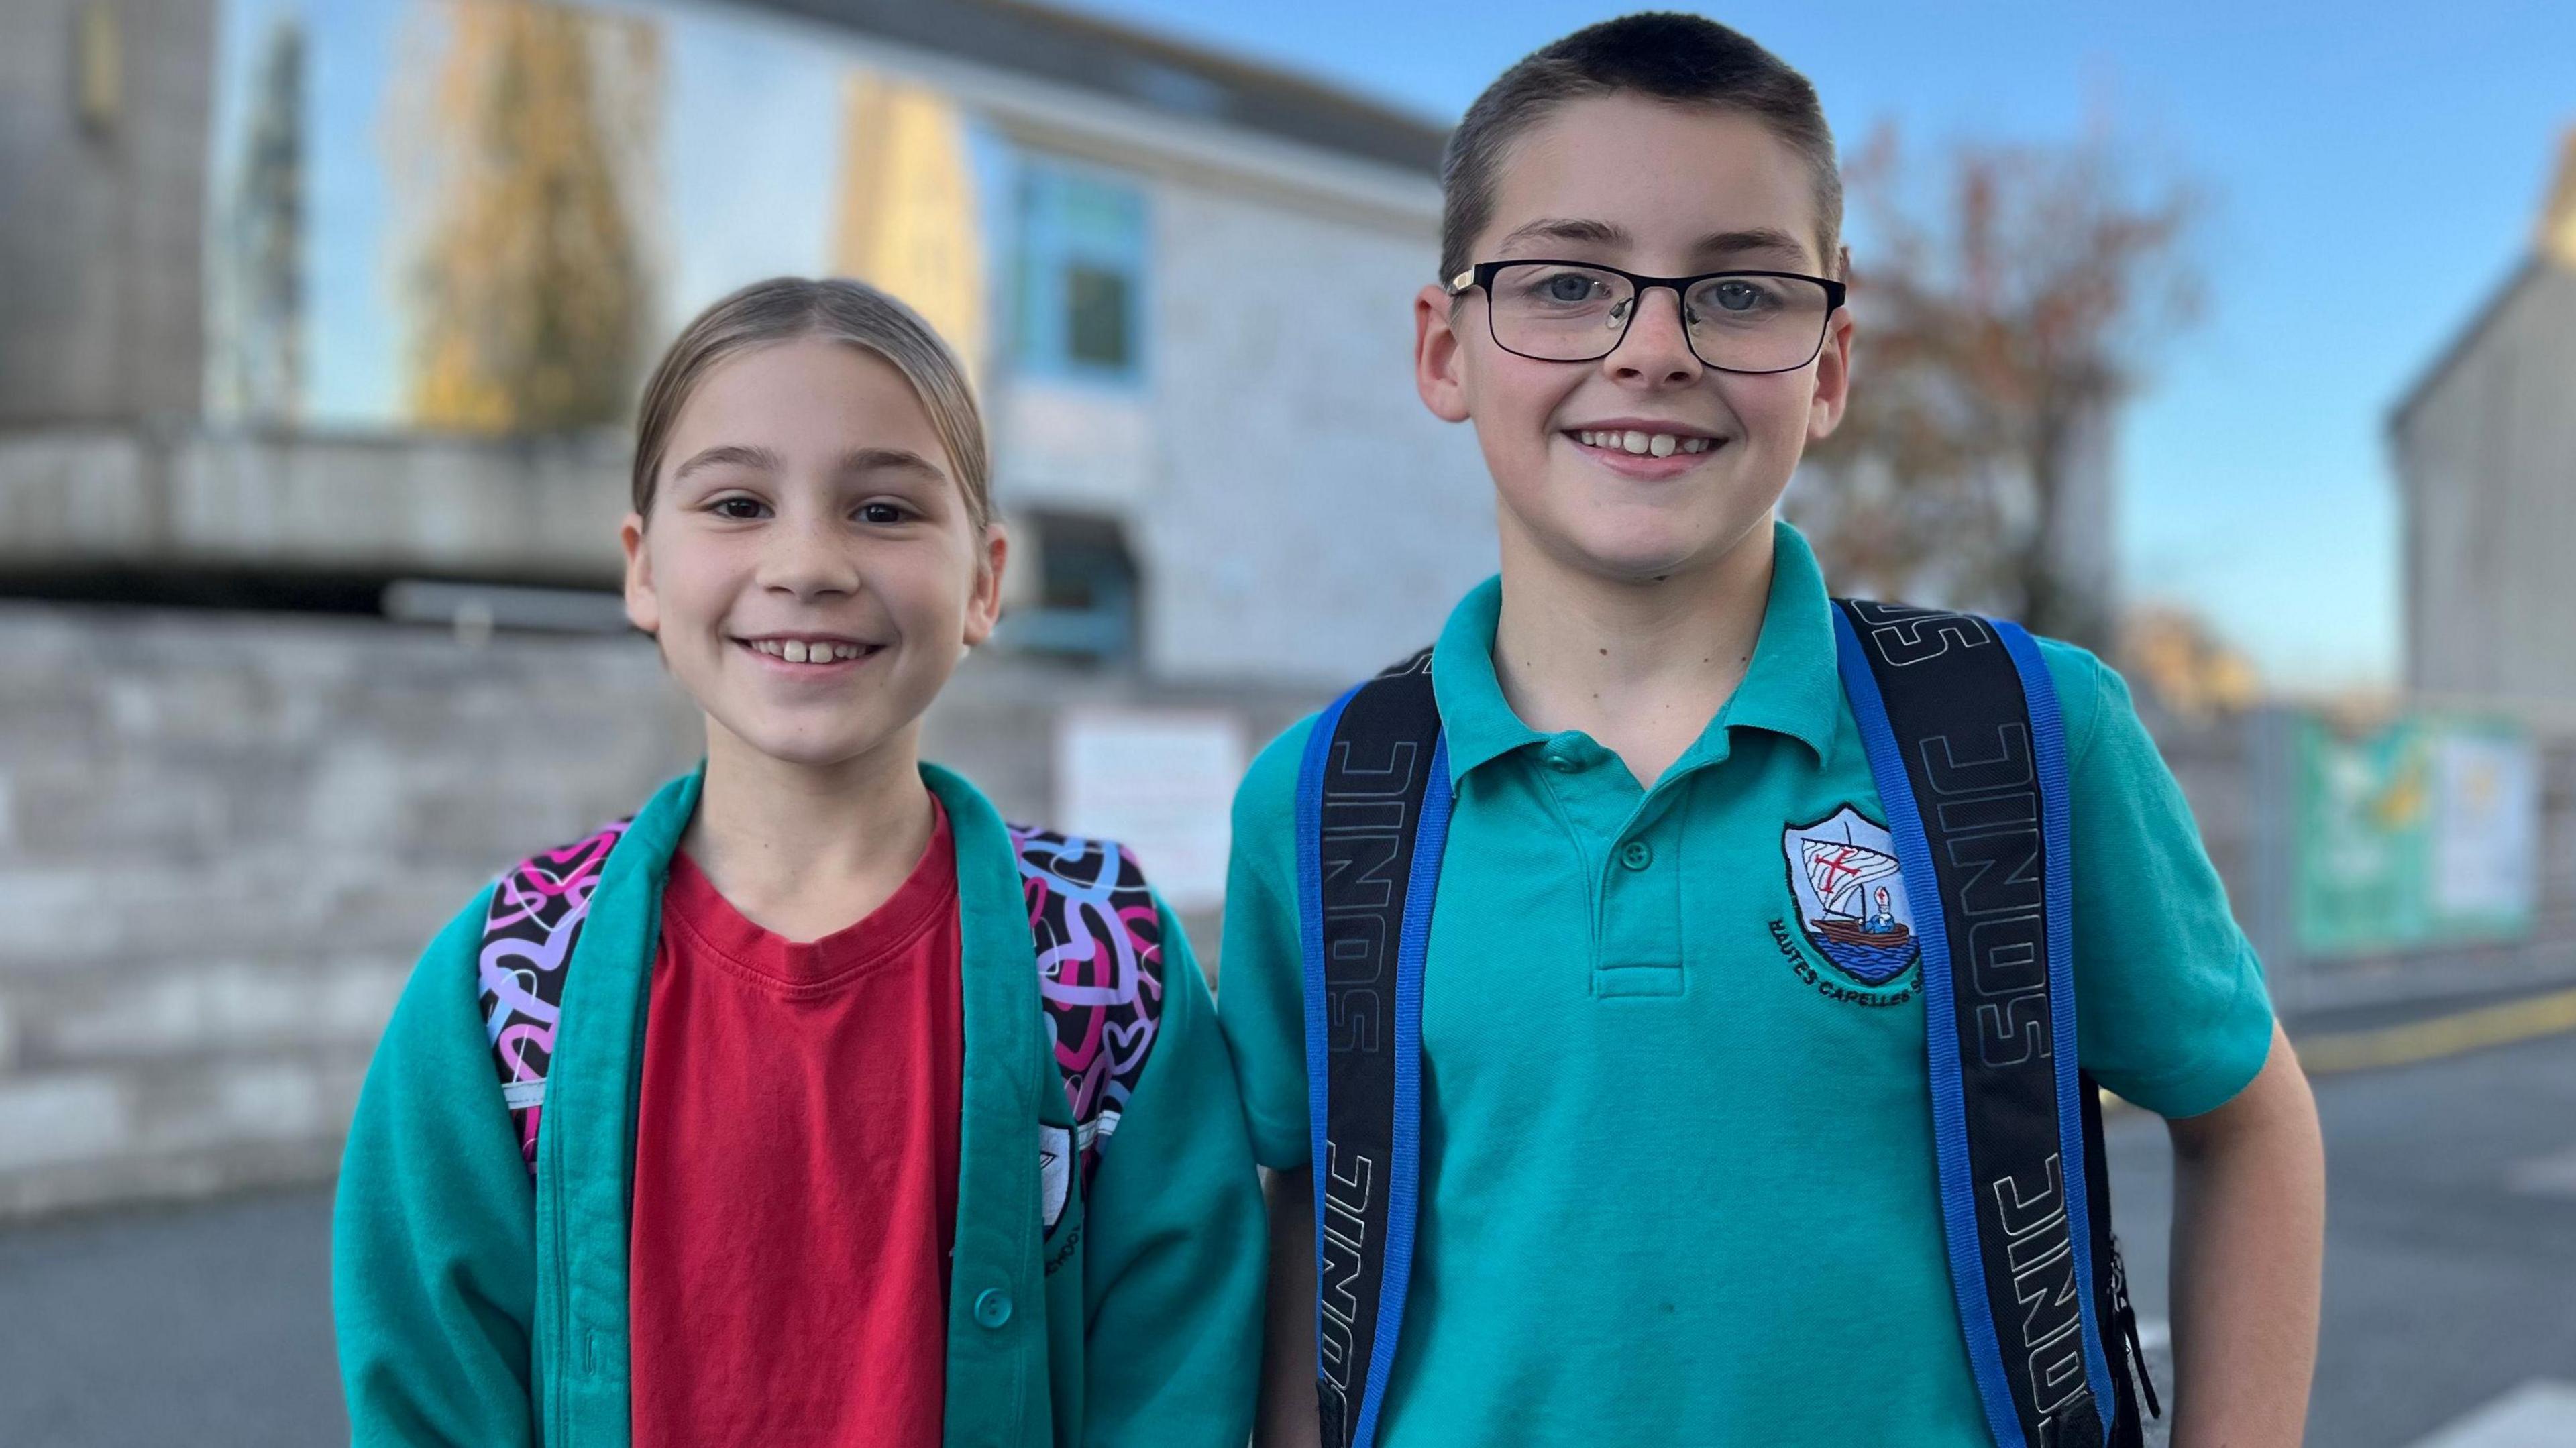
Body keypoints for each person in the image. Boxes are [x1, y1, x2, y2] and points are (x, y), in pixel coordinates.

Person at [1217, 15, 2324, 1447]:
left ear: (1832, 366)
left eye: (1738, 293)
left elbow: (2247, 1116)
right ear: (1446, 349)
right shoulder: (1318, 802)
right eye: (1567, 282)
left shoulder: (2027, 738)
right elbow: (1312, 1207)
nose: (1656, 350)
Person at [333, 277, 1263, 1448]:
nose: (810, 561)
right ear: (643, 569)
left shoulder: (1105, 959)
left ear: (983, 581)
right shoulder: (512, 977)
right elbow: (427, 1391)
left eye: (882, 511)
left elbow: (1176, 1379)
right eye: (736, 503)